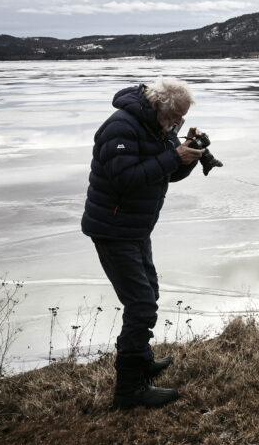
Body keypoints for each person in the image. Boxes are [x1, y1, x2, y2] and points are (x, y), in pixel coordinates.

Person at [81, 77, 205, 409]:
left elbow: (167, 172)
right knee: (141, 304)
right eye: (173, 119)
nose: (175, 125)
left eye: (180, 120)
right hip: (113, 228)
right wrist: (173, 156)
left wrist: (187, 156)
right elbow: (126, 178)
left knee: (148, 290)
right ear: (156, 106)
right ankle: (129, 391)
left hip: (135, 227)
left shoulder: (156, 126)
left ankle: (142, 361)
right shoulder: (119, 128)